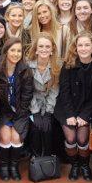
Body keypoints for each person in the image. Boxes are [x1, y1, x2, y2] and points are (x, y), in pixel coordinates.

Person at [55, 33, 92, 181]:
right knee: (71, 137)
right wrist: (69, 115)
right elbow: (64, 91)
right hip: (66, 108)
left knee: (82, 139)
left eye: (87, 45)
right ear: (75, 48)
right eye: (80, 45)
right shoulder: (68, 64)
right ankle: (74, 165)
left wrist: (84, 116)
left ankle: (84, 165)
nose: (83, 48)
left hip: (87, 109)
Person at [0, 37, 33, 181]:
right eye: (12, 50)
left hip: (19, 113)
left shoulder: (25, 70)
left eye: (19, 51)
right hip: (3, 112)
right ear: (6, 51)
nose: (16, 54)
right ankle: (4, 167)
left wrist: (19, 113)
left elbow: (27, 96)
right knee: (5, 137)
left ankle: (14, 166)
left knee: (16, 138)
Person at [27, 33, 61, 162]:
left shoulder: (57, 66)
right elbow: (28, 91)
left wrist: (47, 112)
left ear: (52, 50)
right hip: (32, 105)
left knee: (48, 126)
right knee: (35, 126)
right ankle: (35, 157)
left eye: (47, 46)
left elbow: (54, 91)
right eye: (41, 46)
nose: (44, 49)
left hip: (49, 105)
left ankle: (47, 158)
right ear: (36, 49)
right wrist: (35, 112)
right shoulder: (28, 66)